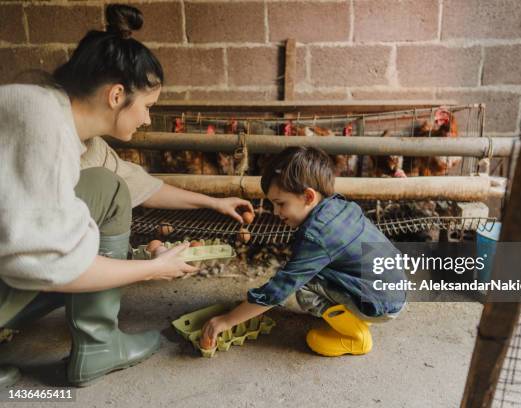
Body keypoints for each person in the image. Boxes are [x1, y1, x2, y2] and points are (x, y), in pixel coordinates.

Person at [0, 4, 252, 388]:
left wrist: (213, 203)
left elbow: (132, 183)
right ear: (117, 95)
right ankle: (99, 347)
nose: (148, 119)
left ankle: (96, 345)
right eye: (148, 107)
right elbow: (50, 267)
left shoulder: (59, 116)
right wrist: (153, 269)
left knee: (104, 186)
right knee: (81, 239)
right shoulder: (44, 129)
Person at [200, 147, 407, 357]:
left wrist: (228, 320)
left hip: (381, 303)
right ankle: (352, 312)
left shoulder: (317, 235)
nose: (275, 212)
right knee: (311, 271)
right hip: (391, 289)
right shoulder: (339, 205)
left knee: (304, 287)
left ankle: (356, 337)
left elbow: (281, 287)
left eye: (281, 204)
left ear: (308, 196)